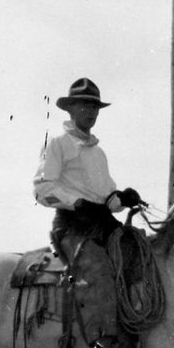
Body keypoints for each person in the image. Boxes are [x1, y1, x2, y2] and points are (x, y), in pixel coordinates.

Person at [33, 77, 145, 265]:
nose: (92, 111)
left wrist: (123, 199)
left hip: (103, 226)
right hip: (72, 228)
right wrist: (77, 203)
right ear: (70, 109)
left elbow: (108, 201)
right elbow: (41, 192)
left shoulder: (98, 153)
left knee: (142, 255)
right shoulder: (56, 143)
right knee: (97, 275)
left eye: (95, 107)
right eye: (85, 105)